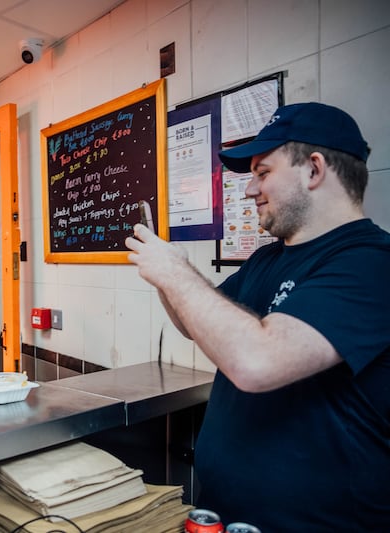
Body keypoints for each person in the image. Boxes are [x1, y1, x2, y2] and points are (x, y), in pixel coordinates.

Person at [124, 102, 389, 530]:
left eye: (263, 173)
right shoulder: (268, 259)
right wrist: (163, 275)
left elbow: (257, 362)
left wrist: (176, 272)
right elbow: (194, 324)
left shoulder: (370, 263)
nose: (250, 190)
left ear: (314, 170)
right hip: (229, 514)